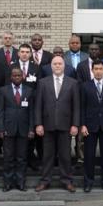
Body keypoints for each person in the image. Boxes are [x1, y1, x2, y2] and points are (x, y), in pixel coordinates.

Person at [34, 56, 80, 193]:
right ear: (51, 66)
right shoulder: (42, 82)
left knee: (65, 156)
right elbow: (38, 105)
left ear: (64, 66)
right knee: (47, 155)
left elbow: (76, 106)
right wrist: (38, 124)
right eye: (55, 64)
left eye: (60, 63)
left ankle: (67, 181)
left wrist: (75, 125)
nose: (58, 66)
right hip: (47, 126)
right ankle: (45, 181)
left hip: (66, 125)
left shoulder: (73, 83)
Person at [80, 60, 103, 193]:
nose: (98, 71)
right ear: (92, 70)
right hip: (90, 126)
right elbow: (82, 107)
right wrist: (82, 124)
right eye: (95, 69)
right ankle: (88, 182)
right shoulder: (85, 86)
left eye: (100, 69)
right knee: (89, 156)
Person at [0, 67, 35, 191]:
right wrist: (1, 129)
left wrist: (31, 129)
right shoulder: (3, 91)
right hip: (8, 129)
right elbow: (0, 111)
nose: (17, 77)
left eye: (19, 75)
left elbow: (31, 112)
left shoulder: (29, 91)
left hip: (24, 130)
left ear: (23, 76)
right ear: (11, 77)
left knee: (21, 158)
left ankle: (20, 182)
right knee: (8, 158)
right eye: (14, 76)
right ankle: (7, 183)